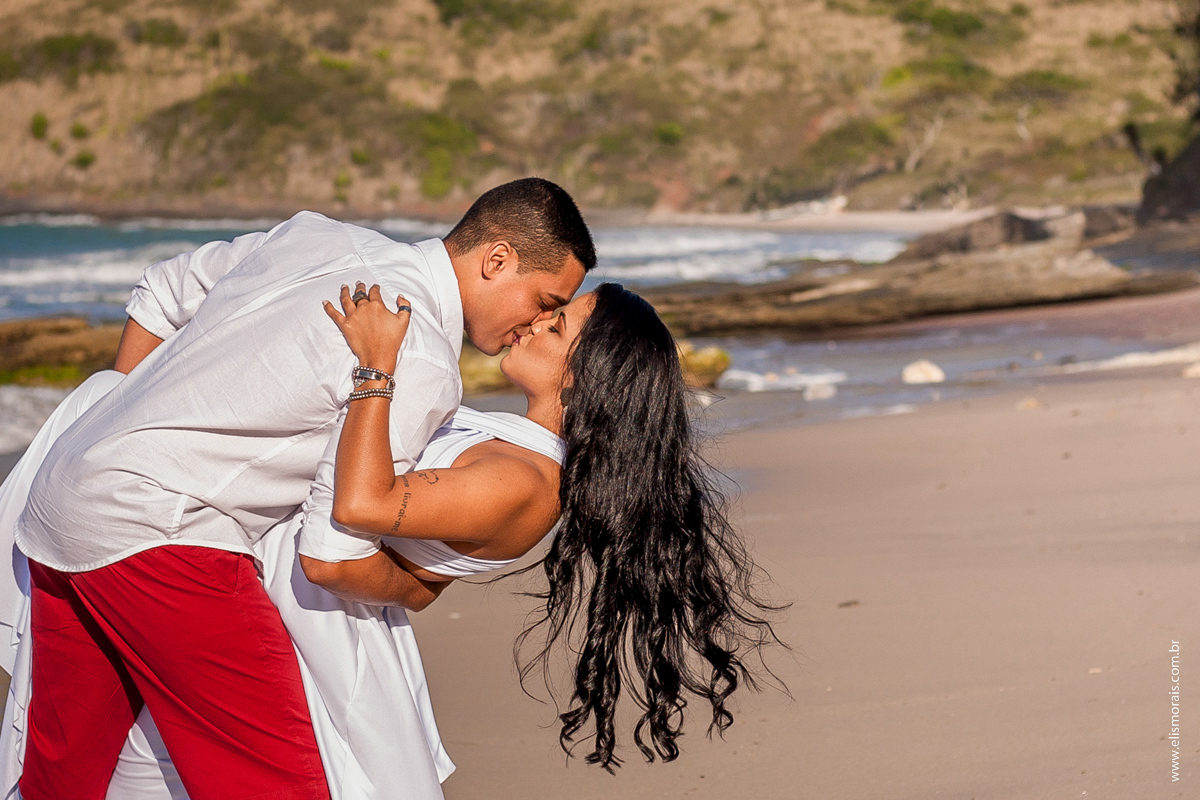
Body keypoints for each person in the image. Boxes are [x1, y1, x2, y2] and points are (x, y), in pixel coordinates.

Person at [0, 281, 780, 799]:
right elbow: (406, 557)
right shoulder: (508, 446)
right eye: (547, 308)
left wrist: (374, 371)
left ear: (586, 372)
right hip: (230, 588)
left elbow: (360, 510)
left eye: (559, 323)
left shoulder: (526, 480)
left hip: (302, 638)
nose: (535, 323)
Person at [12, 177, 596, 800]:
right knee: (280, 786)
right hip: (163, 533)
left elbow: (160, 287)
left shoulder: (319, 235)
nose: (538, 321)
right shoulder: (418, 356)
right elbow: (330, 551)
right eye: (544, 298)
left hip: (61, 498)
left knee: (64, 777)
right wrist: (417, 587)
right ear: (497, 258)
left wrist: (125, 425)